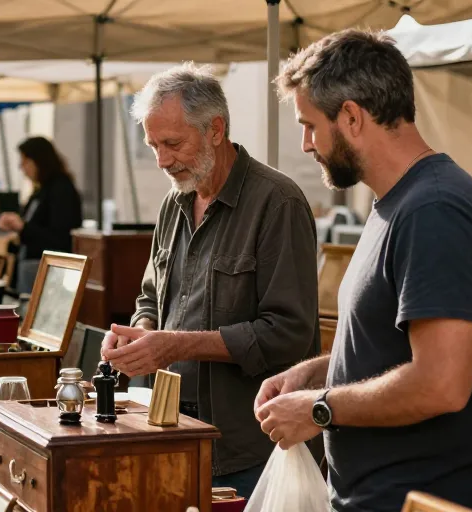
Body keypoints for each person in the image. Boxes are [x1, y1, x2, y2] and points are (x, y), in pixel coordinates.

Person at [256, 29, 472, 511]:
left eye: (310, 125)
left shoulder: (433, 210)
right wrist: (317, 373)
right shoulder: (398, 204)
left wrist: (320, 407)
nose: (306, 144)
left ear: (351, 116)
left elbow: (441, 382)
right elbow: (393, 350)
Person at [99, 63, 320, 498]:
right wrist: (139, 337)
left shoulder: (278, 202)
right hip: (170, 433)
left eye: (172, 143)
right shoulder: (173, 202)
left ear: (216, 130)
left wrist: (177, 344)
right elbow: (150, 297)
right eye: (152, 145)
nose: (162, 160)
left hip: (248, 450)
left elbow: (290, 334)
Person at [0, 137, 83, 294]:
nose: (21, 167)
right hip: (31, 269)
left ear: (39, 161)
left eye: (25, 161)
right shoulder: (41, 190)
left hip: (49, 274)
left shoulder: (61, 189)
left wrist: (22, 227)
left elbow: (60, 237)